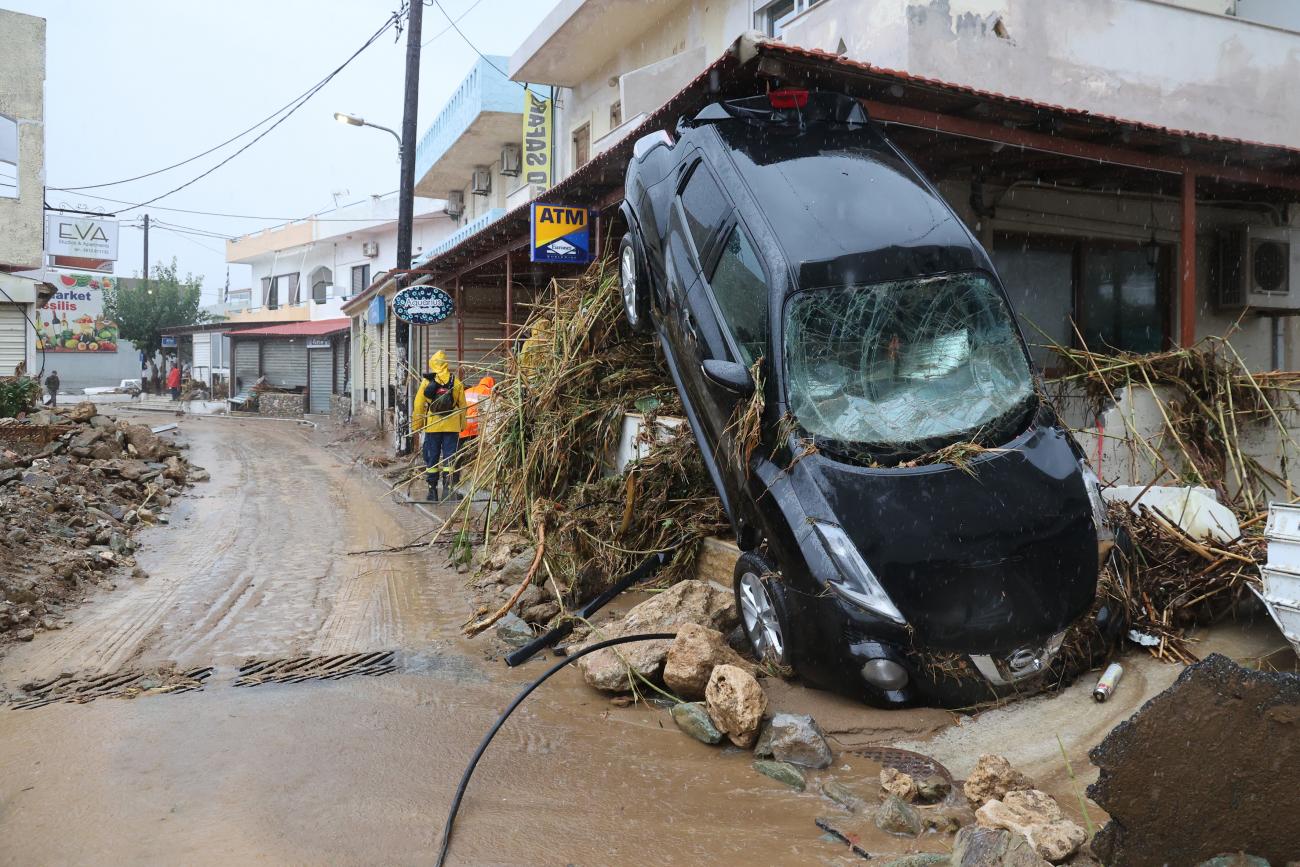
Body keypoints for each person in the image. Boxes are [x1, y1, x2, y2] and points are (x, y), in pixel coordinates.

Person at [412, 351, 466, 501]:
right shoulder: (455, 382)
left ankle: (432, 492)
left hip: (433, 426)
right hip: (452, 426)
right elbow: (463, 406)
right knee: (450, 457)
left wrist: (418, 425)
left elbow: (418, 405)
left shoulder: (427, 382)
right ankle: (448, 491)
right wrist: (462, 425)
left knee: (432, 458)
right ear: (445, 363)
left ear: (432, 363)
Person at [458, 375, 496, 442]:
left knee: (461, 449)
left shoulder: (468, 390)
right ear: (492, 385)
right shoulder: (489, 392)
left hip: (462, 425)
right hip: (475, 428)